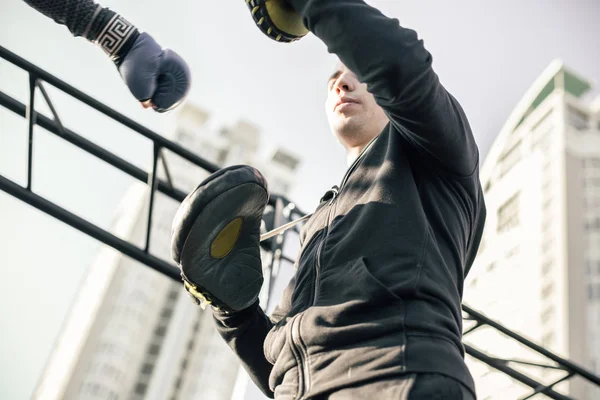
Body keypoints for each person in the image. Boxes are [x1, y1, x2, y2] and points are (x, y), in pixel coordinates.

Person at [210, 1, 486, 399]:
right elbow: (281, 358)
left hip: (397, 380)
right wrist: (232, 314)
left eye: (361, 76)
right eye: (334, 80)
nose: (343, 83)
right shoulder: (317, 223)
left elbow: (399, 64)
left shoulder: (438, 152)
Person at [21, 0, 191, 112]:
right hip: (83, 17)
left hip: (88, 17)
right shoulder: (141, 66)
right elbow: (141, 89)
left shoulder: (143, 57)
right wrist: (147, 100)